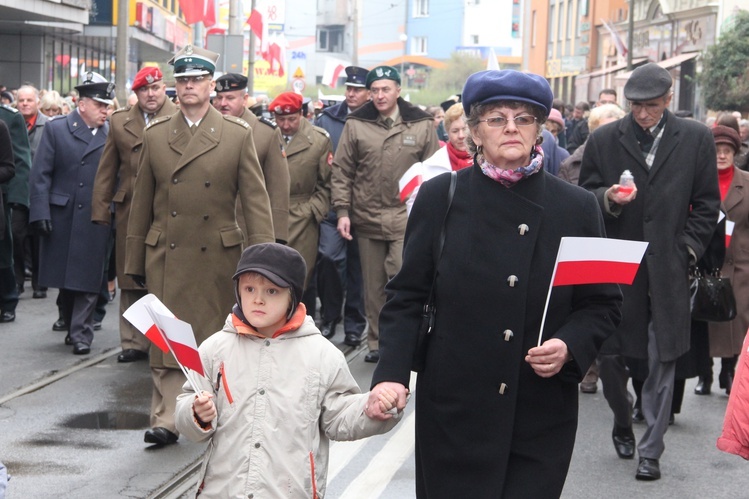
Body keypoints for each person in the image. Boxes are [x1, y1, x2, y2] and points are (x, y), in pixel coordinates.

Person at [368, 69, 623, 498]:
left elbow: (602, 304)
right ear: (473, 132)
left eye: (524, 119)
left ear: (539, 131)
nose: (511, 127)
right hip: (454, 408)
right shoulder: (440, 197)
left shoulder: (577, 207)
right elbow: (407, 296)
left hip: (539, 410)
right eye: (496, 118)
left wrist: (569, 345)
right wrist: (391, 374)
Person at [125, 45, 274, 447]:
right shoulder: (156, 135)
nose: (188, 86)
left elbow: (256, 202)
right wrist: (133, 258)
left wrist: (265, 261)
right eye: (183, 80)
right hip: (167, 253)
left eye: (196, 80)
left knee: (215, 337)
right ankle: (166, 417)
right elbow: (142, 203)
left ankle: (217, 410)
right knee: (168, 336)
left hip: (218, 254)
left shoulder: (236, 134)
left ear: (211, 85)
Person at [578, 62, 720, 480]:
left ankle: (651, 450)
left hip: (670, 270)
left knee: (664, 359)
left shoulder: (696, 138)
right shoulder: (605, 138)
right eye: (636, 106)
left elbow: (707, 204)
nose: (642, 114)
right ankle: (622, 420)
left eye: (652, 106)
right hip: (618, 267)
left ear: (668, 100)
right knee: (610, 358)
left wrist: (688, 250)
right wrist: (610, 199)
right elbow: (585, 193)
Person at [174, 243, 400, 497]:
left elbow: (339, 416)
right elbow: (186, 405)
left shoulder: (322, 355)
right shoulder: (215, 349)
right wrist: (196, 413)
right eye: (249, 289)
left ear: (292, 296)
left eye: (271, 291)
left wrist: (372, 409)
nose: (257, 299)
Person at [331, 65, 440, 363]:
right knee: (373, 286)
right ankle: (377, 342)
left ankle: (405, 338)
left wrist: (432, 216)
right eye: (375, 90)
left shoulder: (420, 123)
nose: (380, 96)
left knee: (402, 276)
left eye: (386, 89)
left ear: (398, 91)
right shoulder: (356, 124)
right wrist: (343, 211)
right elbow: (342, 171)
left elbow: (434, 172)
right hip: (365, 217)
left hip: (407, 217)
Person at [92, 66, 177, 363]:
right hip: (129, 209)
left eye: (155, 89)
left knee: (164, 275)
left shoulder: (180, 118)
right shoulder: (119, 122)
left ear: (164, 88)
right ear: (136, 93)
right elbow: (107, 170)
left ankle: (164, 341)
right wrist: (100, 209)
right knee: (130, 275)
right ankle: (133, 341)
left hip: (167, 207)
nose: (151, 95)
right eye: (144, 90)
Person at [29, 72, 116, 355]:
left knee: (89, 279)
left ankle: (82, 334)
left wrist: (113, 210)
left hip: (96, 216)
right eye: (100, 105)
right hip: (61, 215)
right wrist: (40, 211)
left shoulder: (111, 134)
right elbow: (40, 174)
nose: (106, 110)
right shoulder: (57, 129)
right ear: (82, 104)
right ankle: (70, 323)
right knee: (66, 279)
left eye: (107, 105)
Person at [313, 66, 369, 344]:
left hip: (365, 207)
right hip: (332, 207)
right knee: (329, 258)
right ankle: (331, 315)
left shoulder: (377, 120)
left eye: (357, 89)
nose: (351, 94)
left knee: (360, 268)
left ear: (369, 93)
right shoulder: (327, 120)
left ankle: (355, 324)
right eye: (349, 88)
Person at [213, 73, 290, 244]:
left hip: (248, 231)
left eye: (230, 98)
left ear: (244, 99)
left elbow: (278, 188)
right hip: (210, 232)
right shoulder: (207, 129)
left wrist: (277, 237)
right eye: (219, 98)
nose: (223, 104)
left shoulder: (265, 133)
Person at [268, 91, 332, 294]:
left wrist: (313, 211)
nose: (286, 125)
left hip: (302, 217)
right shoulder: (265, 135)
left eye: (291, 119)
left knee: (297, 278)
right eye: (281, 119)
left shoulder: (318, 140)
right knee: (268, 274)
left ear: (302, 115)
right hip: (269, 213)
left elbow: (328, 183)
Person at [704, 125, 749, 395]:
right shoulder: (701, 180)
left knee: (739, 318)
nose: (721, 156)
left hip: (741, 264)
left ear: (735, 153)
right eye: (717, 151)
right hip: (709, 261)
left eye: (727, 151)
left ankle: (730, 368)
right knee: (706, 317)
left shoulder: (746, 182)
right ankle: (705, 372)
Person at [401, 102, 472, 214]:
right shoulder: (431, 165)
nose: (461, 135)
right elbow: (415, 206)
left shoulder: (488, 160)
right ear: (447, 133)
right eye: (455, 131)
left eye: (465, 129)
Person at [15, 85, 47, 300]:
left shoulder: (49, 126)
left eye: (29, 100)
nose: (25, 103)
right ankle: (16, 282)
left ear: (38, 102)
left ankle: (40, 283)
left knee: (39, 240)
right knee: (16, 237)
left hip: (40, 192)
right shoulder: (10, 124)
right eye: (21, 100)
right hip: (17, 193)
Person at [0, 101, 31, 323]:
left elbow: (18, 163)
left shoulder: (8, 119)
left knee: (3, 252)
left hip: (3, 197)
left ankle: (8, 300)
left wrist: (18, 200)